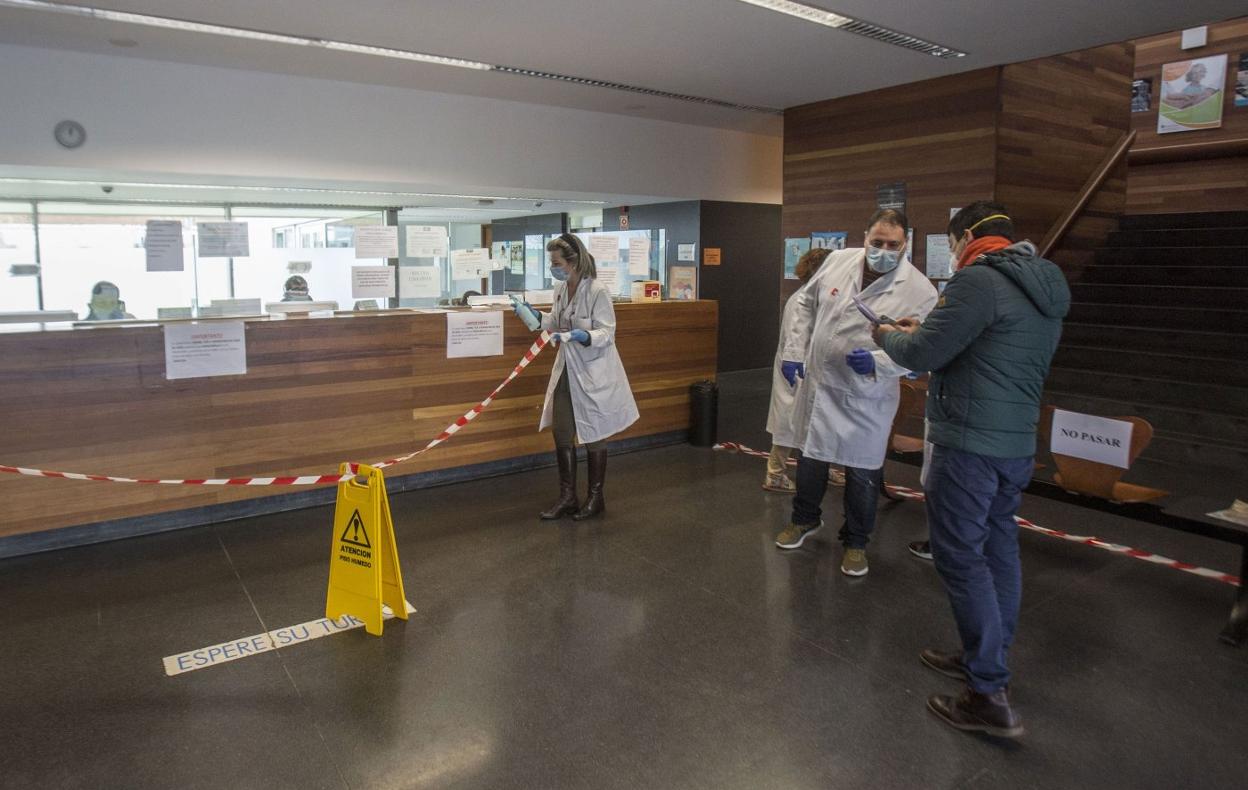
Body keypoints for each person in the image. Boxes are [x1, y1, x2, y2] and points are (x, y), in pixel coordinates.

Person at [873, 201, 1070, 739]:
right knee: (999, 547)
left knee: (961, 558)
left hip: (967, 444)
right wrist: (927, 332)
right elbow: (988, 349)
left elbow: (927, 351)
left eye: (952, 241)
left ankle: (987, 693)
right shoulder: (1045, 284)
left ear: (964, 238)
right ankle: (986, 657)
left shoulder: (977, 282)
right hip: (1014, 445)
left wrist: (888, 335)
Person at [774, 209, 937, 577]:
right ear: (864, 237)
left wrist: (881, 364)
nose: (883, 250)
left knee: (862, 473)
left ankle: (856, 542)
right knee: (811, 460)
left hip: (866, 395)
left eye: (892, 244)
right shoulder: (838, 261)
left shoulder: (919, 290)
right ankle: (804, 520)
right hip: (820, 385)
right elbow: (804, 302)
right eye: (876, 242)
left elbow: (922, 349)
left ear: (905, 244)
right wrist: (795, 350)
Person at [512, 233, 639, 521]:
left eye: (556, 262)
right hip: (567, 368)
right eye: (551, 263)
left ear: (573, 261)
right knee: (562, 429)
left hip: (594, 371)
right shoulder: (560, 289)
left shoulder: (597, 291)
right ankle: (568, 496)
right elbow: (555, 321)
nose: (553, 268)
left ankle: (596, 497)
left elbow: (607, 333)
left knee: (594, 432)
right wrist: (530, 314)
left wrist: (584, 335)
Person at [763, 247, 831, 493]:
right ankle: (775, 473)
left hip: (812, 370)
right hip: (796, 369)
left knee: (814, 421)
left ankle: (825, 466)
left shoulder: (816, 297)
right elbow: (797, 339)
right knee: (788, 421)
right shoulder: (803, 299)